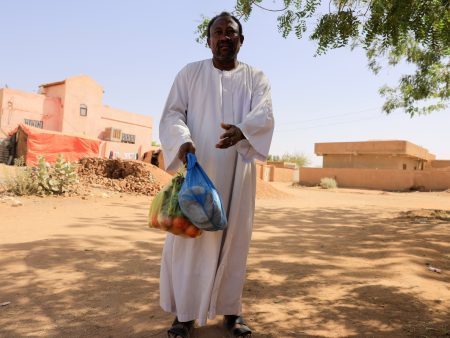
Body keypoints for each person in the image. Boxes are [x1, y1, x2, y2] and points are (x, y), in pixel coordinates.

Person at [159, 11, 274, 338]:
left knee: (233, 240)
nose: (224, 37)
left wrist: (243, 132)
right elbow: (171, 114)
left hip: (238, 174)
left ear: (241, 40)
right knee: (188, 242)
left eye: (231, 32)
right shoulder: (190, 74)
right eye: (218, 32)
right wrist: (182, 143)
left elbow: (264, 114)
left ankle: (231, 313)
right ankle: (183, 315)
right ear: (208, 40)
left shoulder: (256, 78)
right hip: (197, 170)